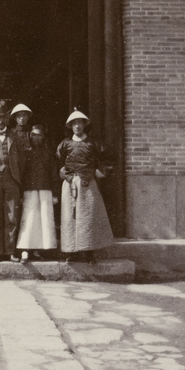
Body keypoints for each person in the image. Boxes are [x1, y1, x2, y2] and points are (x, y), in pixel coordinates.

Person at [56, 109, 114, 263]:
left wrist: (97, 172)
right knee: (70, 217)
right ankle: (72, 252)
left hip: (87, 184)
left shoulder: (94, 143)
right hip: (70, 184)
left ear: (84, 125)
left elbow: (108, 159)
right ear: (71, 126)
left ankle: (89, 253)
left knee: (88, 217)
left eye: (80, 123)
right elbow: (58, 162)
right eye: (74, 123)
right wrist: (63, 172)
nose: (77, 126)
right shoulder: (64, 144)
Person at [0, 102, 24, 262]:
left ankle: (10, 251)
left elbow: (22, 159)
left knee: (11, 216)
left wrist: (15, 175)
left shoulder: (14, 136)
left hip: (11, 179)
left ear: (7, 118)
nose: (0, 120)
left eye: (3, 117)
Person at [17, 124, 59, 262]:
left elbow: (54, 174)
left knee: (43, 221)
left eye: (39, 135)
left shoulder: (49, 153)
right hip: (29, 190)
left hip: (45, 190)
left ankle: (38, 250)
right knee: (28, 220)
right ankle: (24, 250)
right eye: (34, 134)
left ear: (43, 137)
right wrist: (21, 193)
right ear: (30, 136)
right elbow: (21, 173)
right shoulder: (25, 152)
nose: (36, 137)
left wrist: (55, 194)